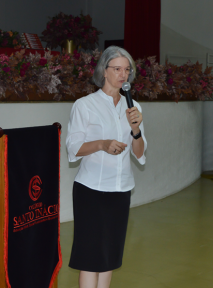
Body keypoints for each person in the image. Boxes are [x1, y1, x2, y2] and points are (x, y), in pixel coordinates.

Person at [66, 46, 147, 288]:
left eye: (127, 70)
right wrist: (102, 144)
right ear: (104, 71)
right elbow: (73, 149)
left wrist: (135, 130)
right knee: (91, 258)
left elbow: (140, 154)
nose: (123, 75)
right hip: (91, 190)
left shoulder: (134, 108)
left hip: (120, 189)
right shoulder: (85, 105)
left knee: (110, 257)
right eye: (117, 69)